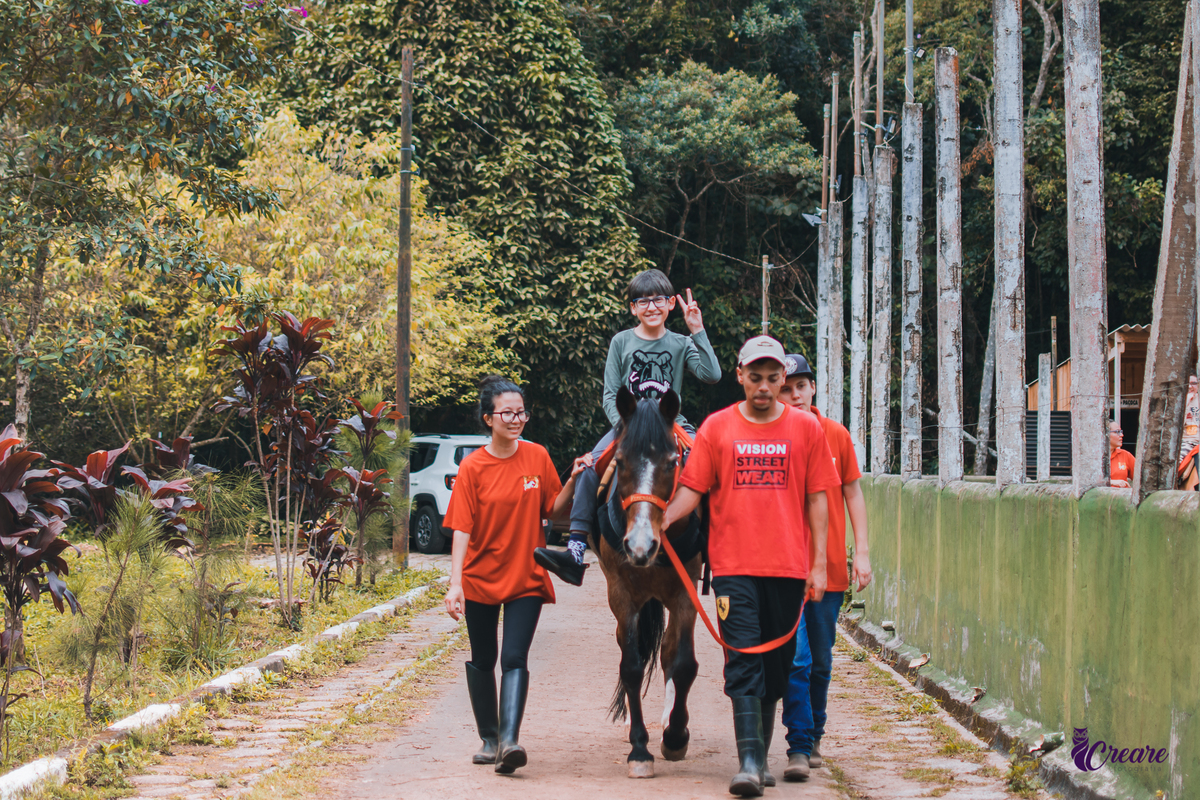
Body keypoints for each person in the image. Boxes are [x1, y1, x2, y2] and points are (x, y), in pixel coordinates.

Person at [660, 336, 839, 798]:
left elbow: (819, 499)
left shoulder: (806, 430)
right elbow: (692, 489)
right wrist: (659, 519)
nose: (764, 386)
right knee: (742, 659)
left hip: (787, 568)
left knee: (778, 667)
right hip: (733, 568)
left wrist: (818, 566)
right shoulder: (718, 429)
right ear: (739, 375)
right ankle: (750, 763)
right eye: (755, 377)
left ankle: (759, 753)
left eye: (772, 378)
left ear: (783, 380)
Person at [535, 268, 721, 585]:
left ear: (671, 304)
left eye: (659, 299)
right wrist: (625, 427)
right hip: (629, 426)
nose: (651, 307)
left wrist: (698, 330)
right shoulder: (621, 341)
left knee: (707, 467)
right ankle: (576, 549)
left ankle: (716, 549)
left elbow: (712, 374)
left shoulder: (680, 342)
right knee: (591, 467)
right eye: (642, 301)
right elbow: (610, 393)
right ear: (633, 307)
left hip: (670, 425)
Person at [443, 376, 591, 774]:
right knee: (483, 657)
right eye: (507, 413)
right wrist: (455, 583)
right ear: (488, 418)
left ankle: (510, 741)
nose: (516, 419)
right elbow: (461, 528)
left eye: (521, 412)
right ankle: (489, 738)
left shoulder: (538, 457)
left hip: (526, 573)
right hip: (479, 577)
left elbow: (555, 510)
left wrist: (575, 477)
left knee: (513, 657)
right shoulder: (473, 466)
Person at [776, 353, 872, 782]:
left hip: (830, 568)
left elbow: (853, 494)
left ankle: (815, 733)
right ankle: (797, 744)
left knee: (820, 660)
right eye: (785, 388)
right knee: (795, 660)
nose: (794, 395)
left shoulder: (835, 434)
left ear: (812, 388)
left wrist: (862, 553)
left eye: (801, 386)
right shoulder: (771, 437)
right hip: (785, 569)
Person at [1109, 419, 1136, 488]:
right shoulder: (1092, 457)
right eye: (1117, 432)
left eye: (1120, 432)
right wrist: (1111, 482)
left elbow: (1142, 478)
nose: (1121, 435)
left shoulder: (1126, 455)